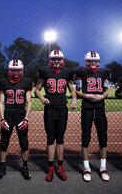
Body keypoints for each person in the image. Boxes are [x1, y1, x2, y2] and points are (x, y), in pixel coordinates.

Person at [35, 49, 78, 182]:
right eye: (54, 59)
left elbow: (71, 88)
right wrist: (42, 98)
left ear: (62, 60)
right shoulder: (45, 72)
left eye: (58, 59)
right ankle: (50, 168)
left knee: (60, 139)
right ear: (50, 60)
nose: (56, 61)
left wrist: (75, 99)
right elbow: (37, 89)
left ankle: (60, 166)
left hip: (62, 109)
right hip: (50, 109)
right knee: (50, 139)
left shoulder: (67, 73)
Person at [75, 51, 110, 182]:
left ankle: (103, 167)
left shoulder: (104, 73)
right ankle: (86, 168)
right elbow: (77, 91)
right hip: (87, 108)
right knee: (85, 139)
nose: (93, 63)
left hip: (100, 108)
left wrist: (101, 96)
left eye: (95, 61)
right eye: (90, 61)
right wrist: (87, 96)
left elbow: (106, 92)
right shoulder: (81, 73)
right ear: (86, 62)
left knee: (103, 139)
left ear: (98, 62)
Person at [0, 59, 33, 180]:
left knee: (24, 144)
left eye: (17, 70)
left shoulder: (26, 82)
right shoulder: (4, 83)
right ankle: (2, 166)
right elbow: (1, 103)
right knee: (3, 143)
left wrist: (26, 119)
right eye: (13, 70)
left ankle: (25, 167)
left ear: (22, 71)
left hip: (21, 116)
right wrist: (2, 120)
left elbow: (29, 102)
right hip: (8, 116)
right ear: (8, 70)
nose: (15, 73)